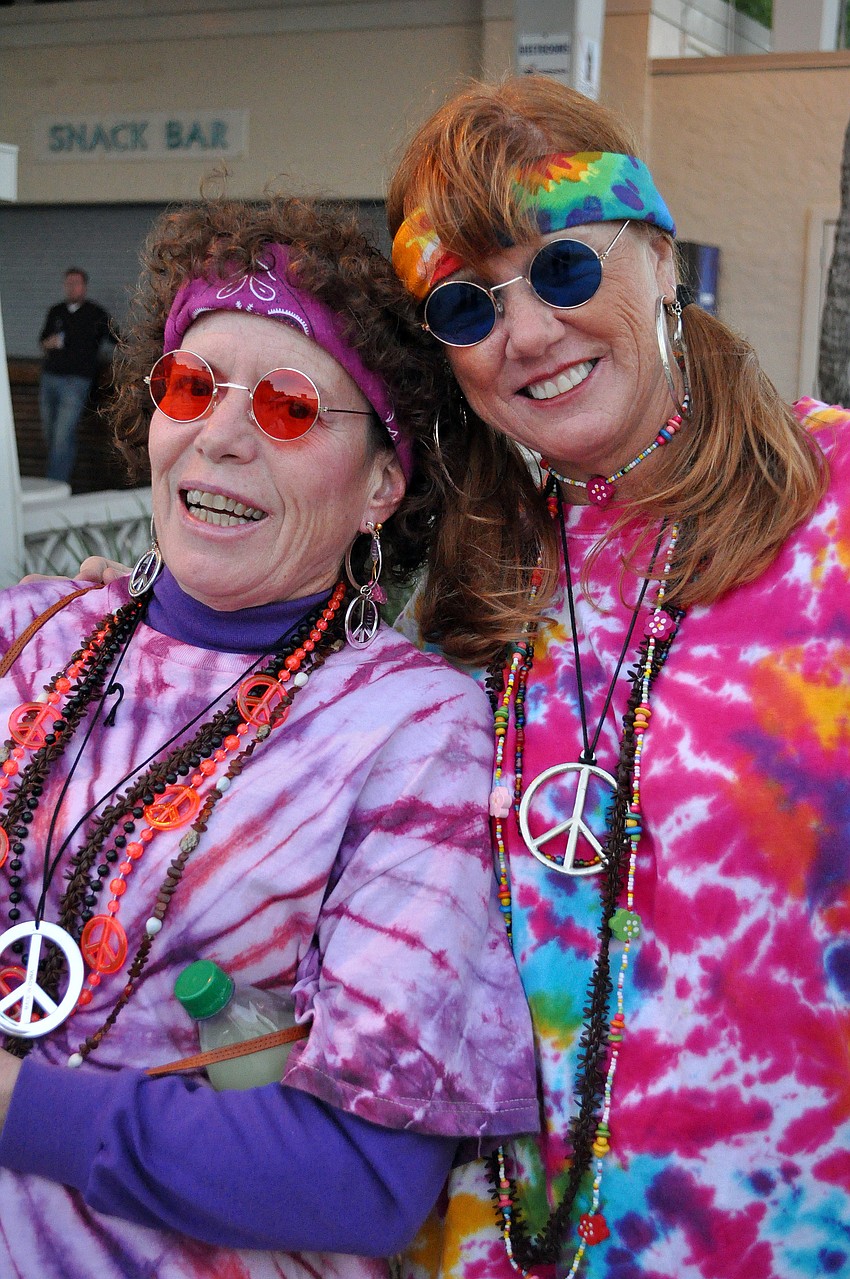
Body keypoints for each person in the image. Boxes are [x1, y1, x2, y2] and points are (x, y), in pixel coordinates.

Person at [0, 196, 539, 1279]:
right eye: (192, 387)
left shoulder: (412, 727)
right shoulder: (30, 631)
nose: (221, 432)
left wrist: (22, 1105)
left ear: (383, 484)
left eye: (290, 407)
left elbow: (362, 1179)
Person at [384, 76, 850, 1278]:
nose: (526, 332)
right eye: (465, 306)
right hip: (503, 1244)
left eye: (564, 270)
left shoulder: (835, 509)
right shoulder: (466, 586)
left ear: (659, 262)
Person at [39, 266, 115, 484]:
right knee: (51, 435)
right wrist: (49, 343)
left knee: (63, 436)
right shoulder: (56, 312)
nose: (71, 287)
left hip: (76, 381)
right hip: (50, 377)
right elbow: (42, 341)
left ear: (84, 286)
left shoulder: (96, 314)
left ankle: (54, 485)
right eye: (68, 283)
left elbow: (116, 339)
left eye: (76, 283)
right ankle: (60, 482)